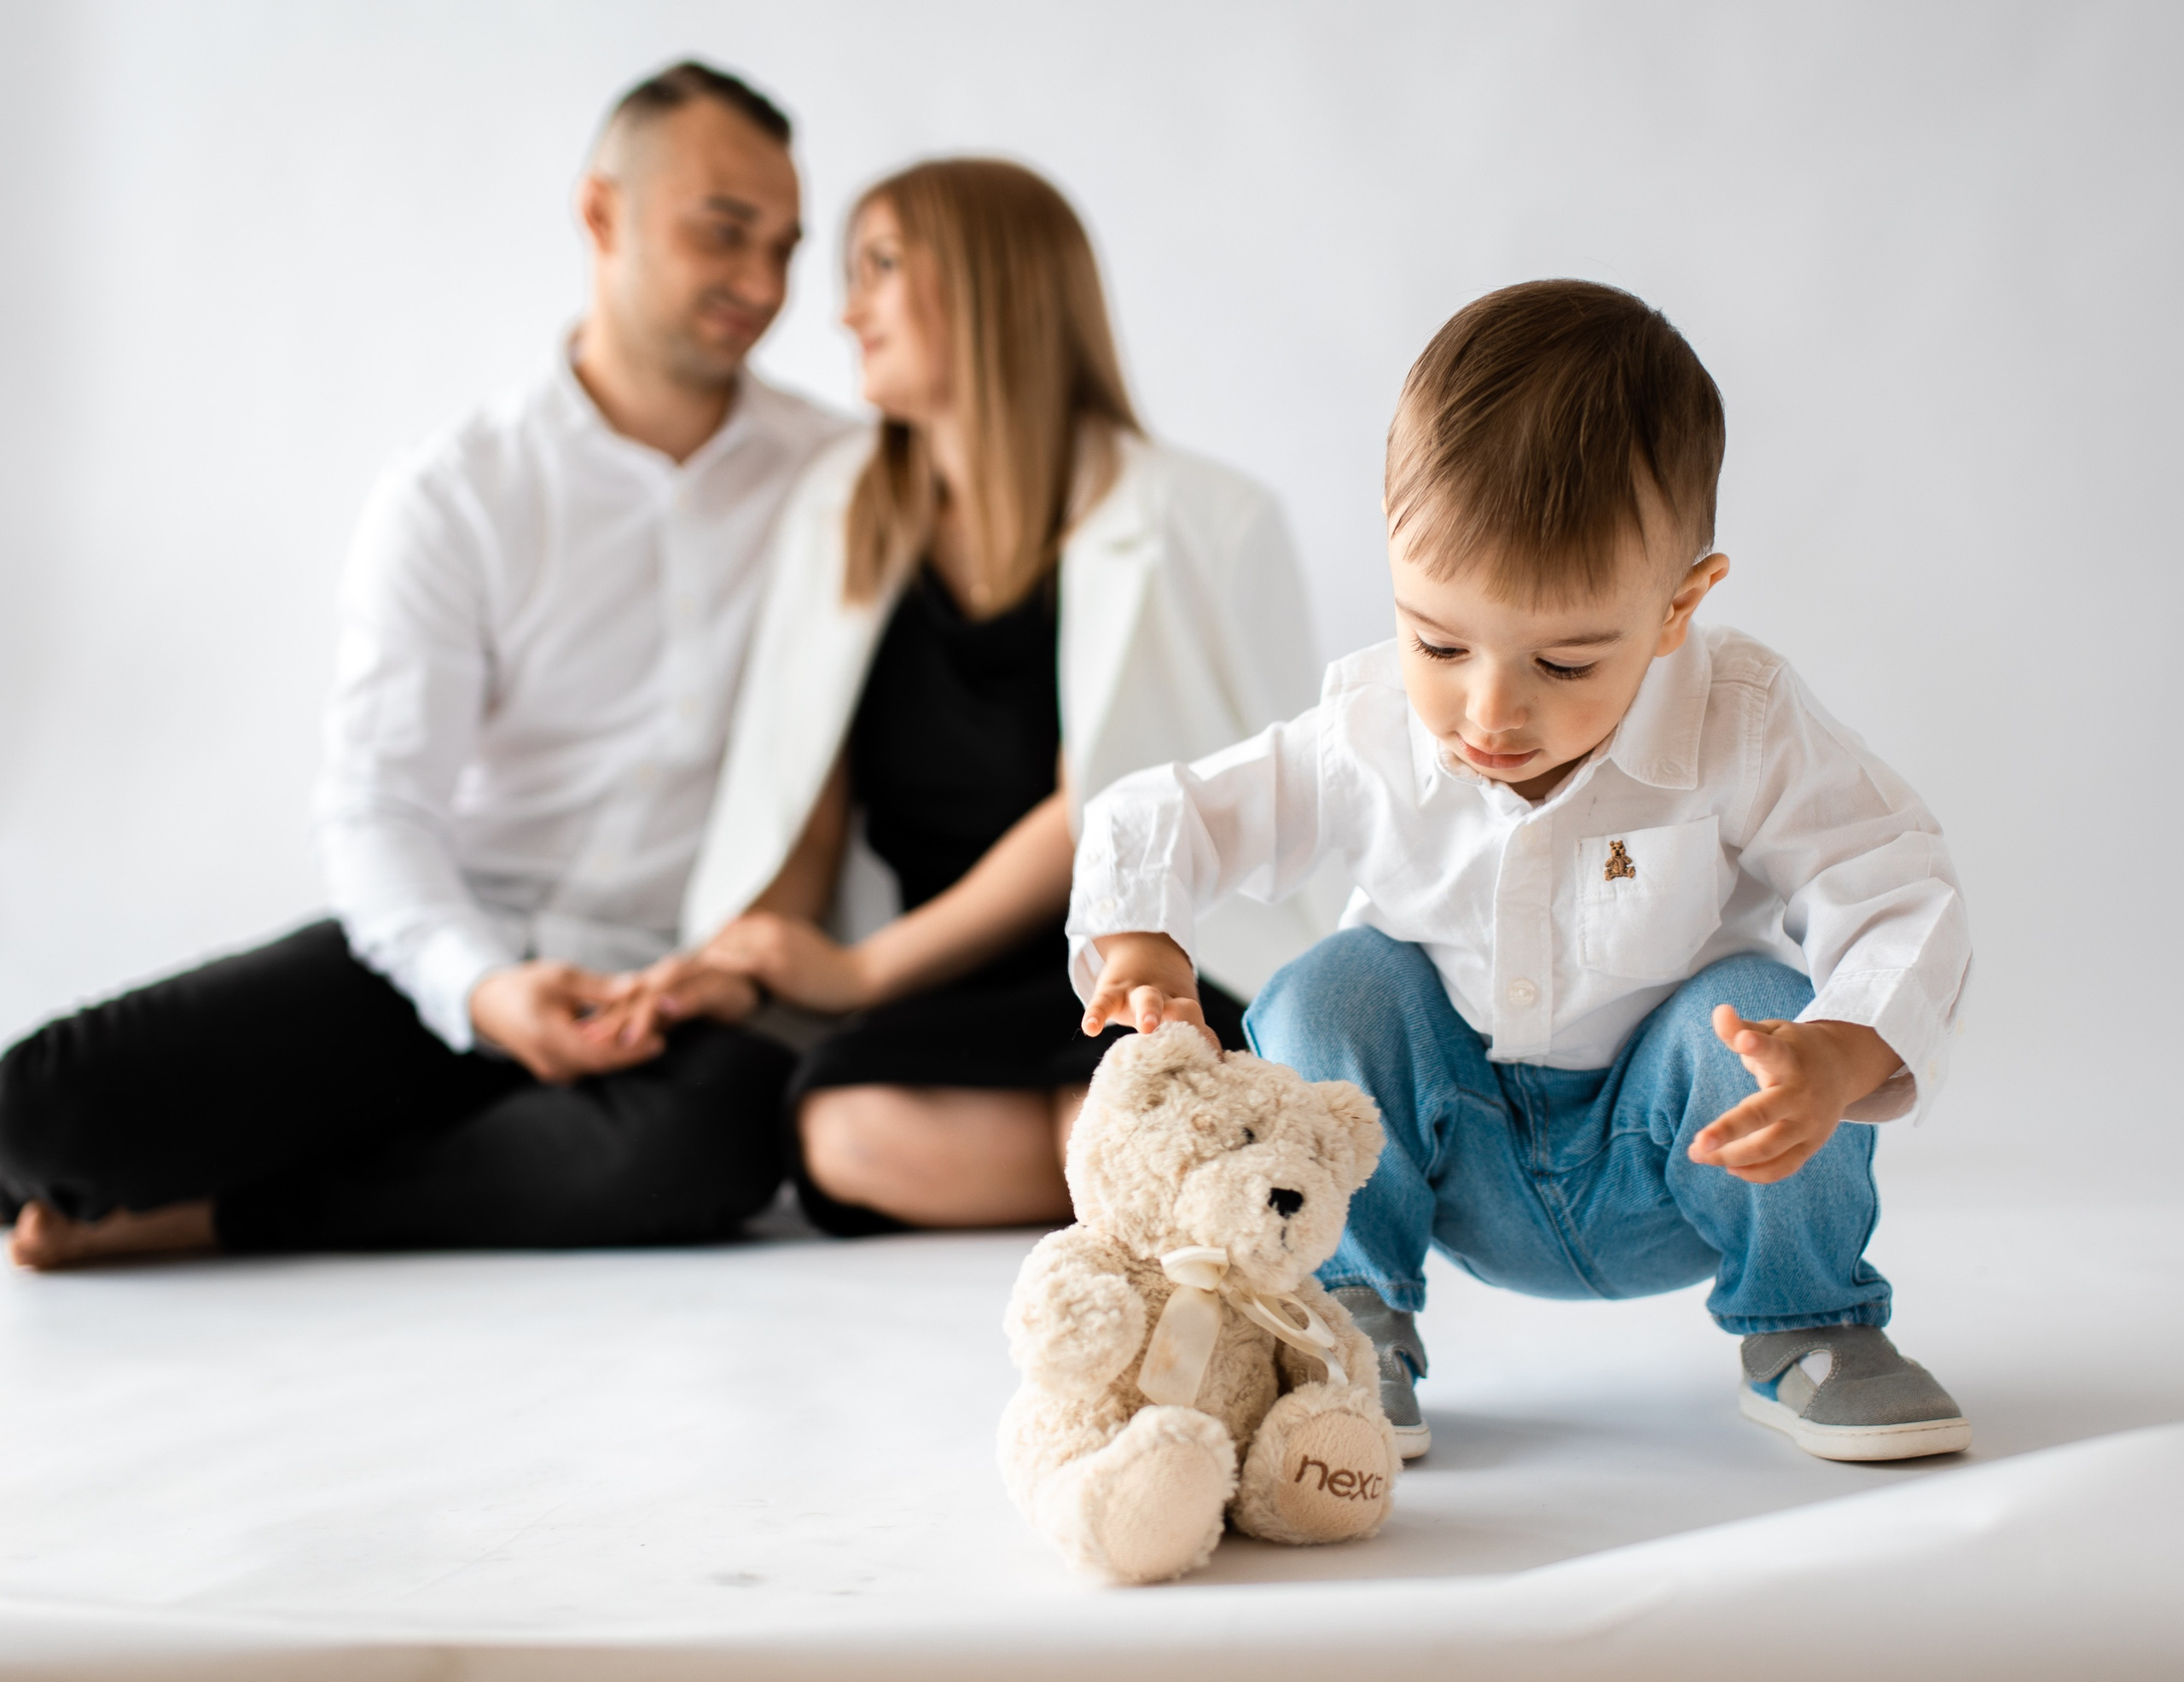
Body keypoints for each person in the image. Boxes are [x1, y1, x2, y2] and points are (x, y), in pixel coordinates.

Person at [1068, 280, 1974, 1464]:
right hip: (1453, 1157)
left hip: (1688, 1153)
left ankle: (1812, 1323)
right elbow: (1170, 813)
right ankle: (1349, 1323)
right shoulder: (1376, 727)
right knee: (1326, 989)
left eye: (1564, 657)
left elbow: (1895, 877)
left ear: (1676, 606)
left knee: (1753, 1013)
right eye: (1440, 641)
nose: (1490, 709)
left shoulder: (1739, 718)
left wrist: (1844, 1051)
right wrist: (1142, 943)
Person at [0, 62, 851, 1268]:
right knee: (39, 1113)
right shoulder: (461, 490)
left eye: (785, 246)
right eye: (724, 234)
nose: (763, 285)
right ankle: (466, 1131)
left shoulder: (844, 478)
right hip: (461, 945)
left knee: (706, 1149)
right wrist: (481, 988)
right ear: (601, 214)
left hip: (677, 990)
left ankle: (225, 1217)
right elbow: (378, 802)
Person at [585, 159, 1329, 1236]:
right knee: (842, 1131)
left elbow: (1103, 809)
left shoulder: (1203, 519)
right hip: (952, 973)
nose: (844, 311)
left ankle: (1130, 1160)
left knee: (1142, 1091)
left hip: (1142, 968)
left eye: (880, 266)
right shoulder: (840, 512)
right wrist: (745, 962)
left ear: (996, 286)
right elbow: (803, 791)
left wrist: (857, 970)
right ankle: (1134, 1184)